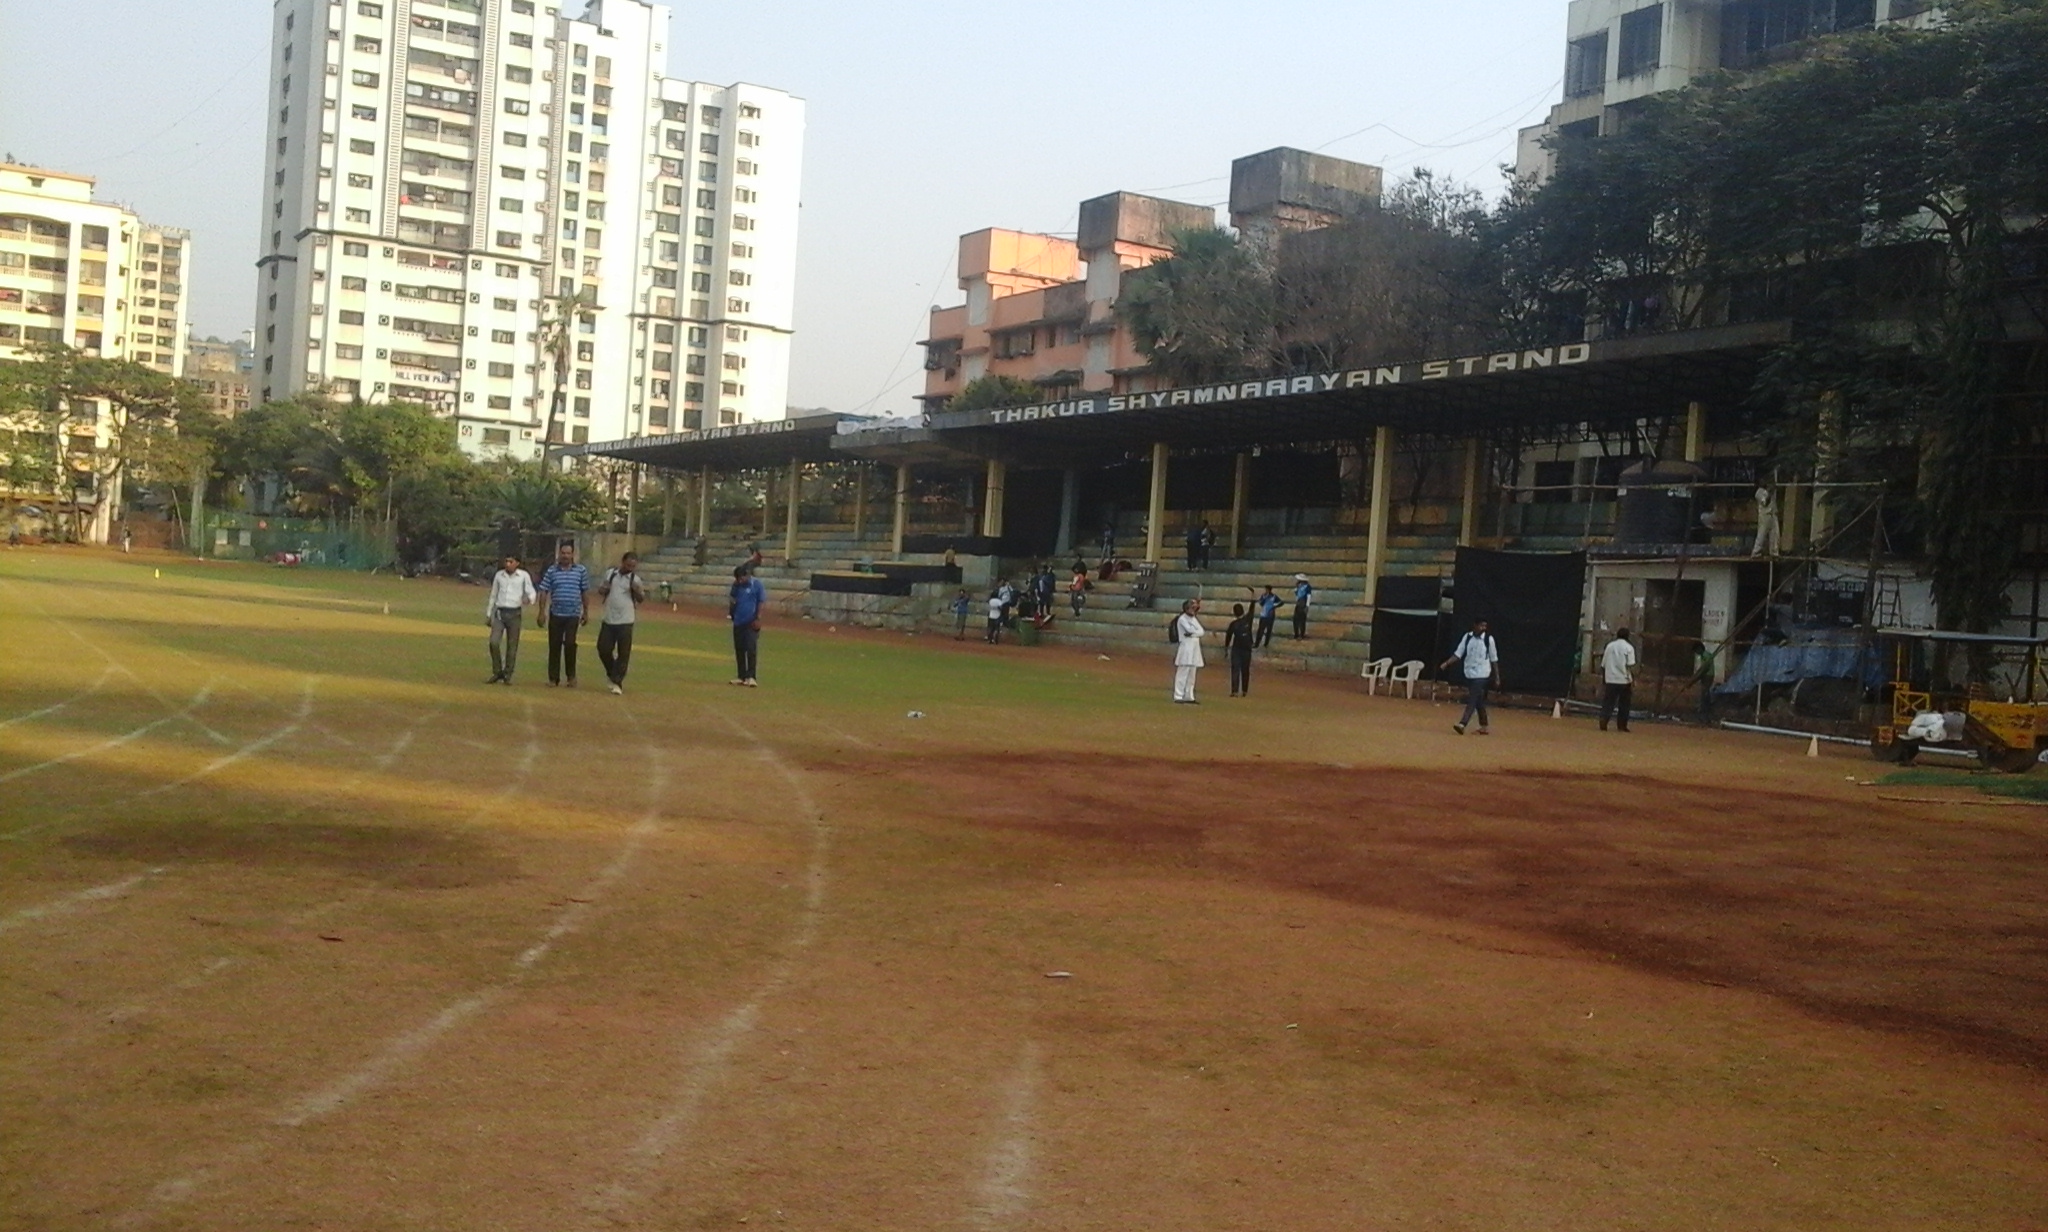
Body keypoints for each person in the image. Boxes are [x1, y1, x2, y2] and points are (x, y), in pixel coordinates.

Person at [536, 543, 591, 688]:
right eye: (563, 553)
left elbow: (584, 591)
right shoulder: (552, 571)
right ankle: (553, 678)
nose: (565, 556)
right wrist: (541, 612)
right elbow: (544, 591)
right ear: (559, 554)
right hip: (556, 614)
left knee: (570, 644)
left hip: (572, 614)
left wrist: (586, 612)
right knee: (554, 645)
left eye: (568, 553)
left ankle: (571, 676)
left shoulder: (580, 571)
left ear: (573, 555)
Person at [595, 552, 647, 695]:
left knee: (624, 653)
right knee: (603, 648)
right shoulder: (611, 574)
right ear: (622, 562)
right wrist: (604, 588)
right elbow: (601, 590)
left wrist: (636, 591)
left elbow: (641, 599)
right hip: (609, 618)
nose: (630, 568)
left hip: (626, 620)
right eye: (628, 565)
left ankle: (617, 681)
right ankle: (612, 672)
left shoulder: (635, 580)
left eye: (633, 566)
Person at [483, 554, 536, 684]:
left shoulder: (523, 576)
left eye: (511, 561)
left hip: (515, 613)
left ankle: (508, 674)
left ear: (517, 563)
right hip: (500, 612)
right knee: (494, 642)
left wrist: (528, 599)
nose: (507, 564)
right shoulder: (499, 575)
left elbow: (532, 592)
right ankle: (497, 671)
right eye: (506, 561)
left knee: (512, 647)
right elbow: (493, 595)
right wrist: (489, 614)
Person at [1443, 617, 1500, 736]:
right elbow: (1458, 654)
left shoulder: (1489, 640)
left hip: (1483, 673)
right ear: (1475, 625)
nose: (1483, 628)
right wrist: (1447, 663)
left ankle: (1463, 723)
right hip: (1469, 673)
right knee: (1478, 700)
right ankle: (1484, 726)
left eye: (1485, 626)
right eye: (1481, 626)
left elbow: (1494, 659)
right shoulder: (1467, 637)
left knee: (1473, 698)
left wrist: (1497, 677)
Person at [728, 565, 765, 686]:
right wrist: (732, 614)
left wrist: (758, 618)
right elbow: (732, 599)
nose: (740, 581)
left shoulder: (756, 585)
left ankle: (751, 676)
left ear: (747, 575)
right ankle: (741, 675)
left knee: (750, 648)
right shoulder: (736, 586)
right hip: (738, 621)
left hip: (751, 621)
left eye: (741, 578)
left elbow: (761, 601)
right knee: (739, 649)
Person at [1598, 627, 1638, 732]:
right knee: (1624, 704)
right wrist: (1633, 679)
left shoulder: (1609, 646)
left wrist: (1604, 678)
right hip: (1624, 680)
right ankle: (1622, 725)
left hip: (1610, 678)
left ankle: (1604, 720)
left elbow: (1603, 664)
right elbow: (1630, 665)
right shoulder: (1629, 648)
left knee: (1608, 702)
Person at [1171, 599, 1207, 703]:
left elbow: (1201, 631)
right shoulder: (1182, 619)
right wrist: (1194, 633)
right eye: (1192, 607)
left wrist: (1193, 634)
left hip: (1195, 647)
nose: (1194, 610)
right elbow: (1189, 630)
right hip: (1186, 647)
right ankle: (1178, 695)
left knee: (1192, 673)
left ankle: (1189, 696)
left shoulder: (1194, 619)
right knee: (1183, 672)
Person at [1224, 601, 1256, 698]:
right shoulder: (1247, 620)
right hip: (1246, 649)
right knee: (1245, 670)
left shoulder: (1234, 624)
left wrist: (1226, 648)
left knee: (1236, 669)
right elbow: (1252, 609)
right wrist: (1253, 597)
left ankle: (1235, 691)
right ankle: (1244, 690)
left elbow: (1228, 637)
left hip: (1237, 649)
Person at [1291, 574, 1314, 640]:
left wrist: (1307, 606)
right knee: (1295, 619)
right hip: (1298, 604)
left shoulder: (1307, 587)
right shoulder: (1299, 586)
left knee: (1302, 620)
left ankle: (1301, 634)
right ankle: (1296, 634)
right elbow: (1296, 593)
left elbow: (1309, 596)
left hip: (1303, 604)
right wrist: (1296, 587)